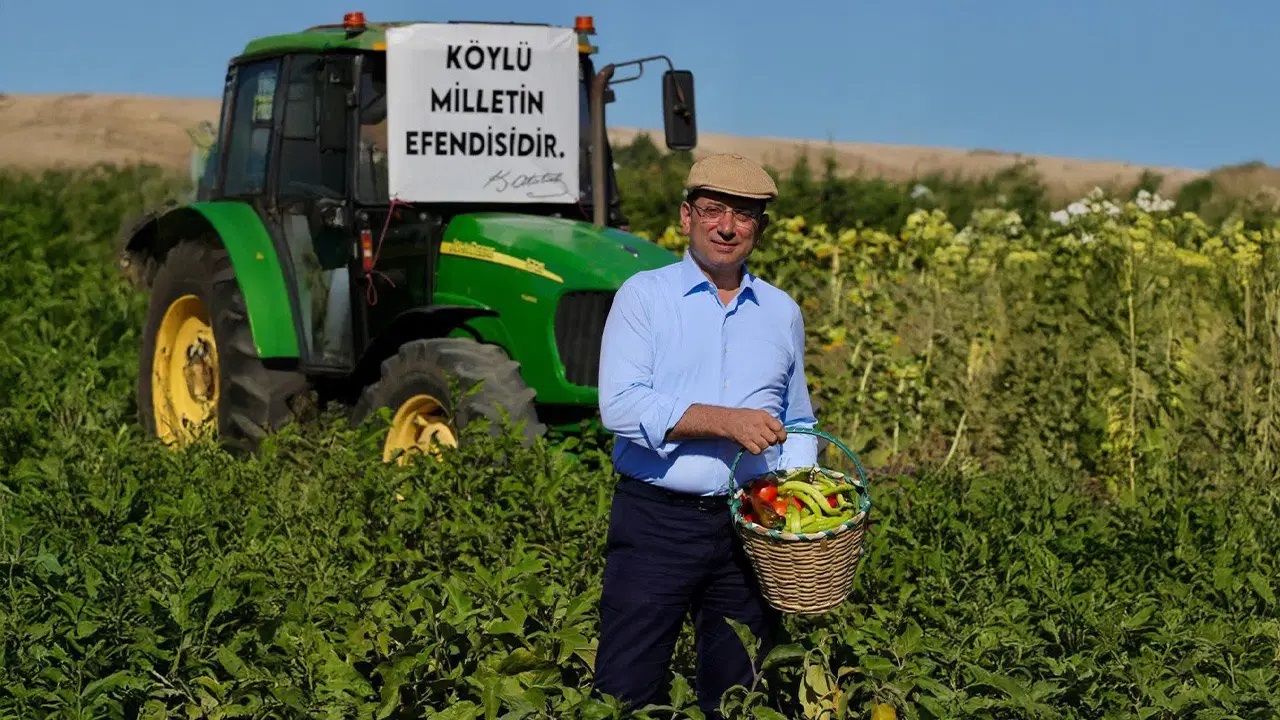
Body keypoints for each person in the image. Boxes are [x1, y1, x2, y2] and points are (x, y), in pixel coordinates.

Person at [592, 153, 819, 717]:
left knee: (739, 694)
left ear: (759, 228)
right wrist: (725, 420)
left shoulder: (780, 312)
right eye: (713, 210)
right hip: (656, 524)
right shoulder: (645, 296)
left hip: (749, 529)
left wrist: (797, 505)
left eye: (743, 215)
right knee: (627, 689)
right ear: (686, 216)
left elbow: (798, 423)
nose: (726, 226)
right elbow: (619, 405)